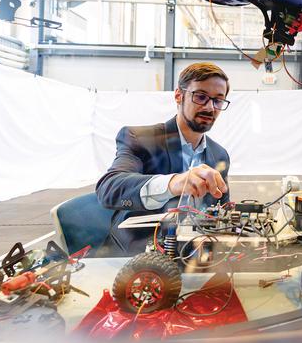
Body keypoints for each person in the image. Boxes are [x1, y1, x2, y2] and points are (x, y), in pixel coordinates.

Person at [96, 62, 232, 254]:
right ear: (179, 95)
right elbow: (109, 188)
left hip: (193, 254)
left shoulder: (219, 154)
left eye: (218, 100)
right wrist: (172, 183)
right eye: (201, 96)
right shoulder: (140, 139)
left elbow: (223, 210)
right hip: (138, 255)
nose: (210, 107)